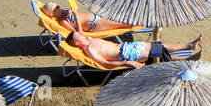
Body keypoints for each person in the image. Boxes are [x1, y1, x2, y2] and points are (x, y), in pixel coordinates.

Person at [65, 31, 203, 65]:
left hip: (127, 46)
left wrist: (76, 15)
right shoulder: (90, 50)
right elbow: (105, 62)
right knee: (158, 54)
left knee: (159, 46)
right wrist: (126, 62)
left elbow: (76, 30)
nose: (82, 35)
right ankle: (189, 58)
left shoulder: (90, 40)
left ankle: (190, 45)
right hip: (127, 54)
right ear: (77, 43)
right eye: (79, 37)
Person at [41, 1, 133, 33]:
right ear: (53, 13)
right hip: (94, 25)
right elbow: (78, 32)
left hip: (96, 16)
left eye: (57, 5)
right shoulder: (62, 22)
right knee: (123, 24)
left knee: (120, 16)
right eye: (56, 7)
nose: (58, 6)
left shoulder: (64, 12)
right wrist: (76, 15)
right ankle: (143, 24)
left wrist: (72, 10)